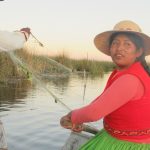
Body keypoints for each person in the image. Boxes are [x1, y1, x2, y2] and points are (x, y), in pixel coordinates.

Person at [60, 20, 150, 149]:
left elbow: (94, 113)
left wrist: (71, 117)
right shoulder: (122, 73)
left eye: (127, 44)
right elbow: (102, 100)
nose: (120, 48)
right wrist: (79, 118)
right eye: (115, 43)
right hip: (117, 136)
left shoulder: (130, 79)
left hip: (129, 145)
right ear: (110, 48)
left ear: (139, 52)